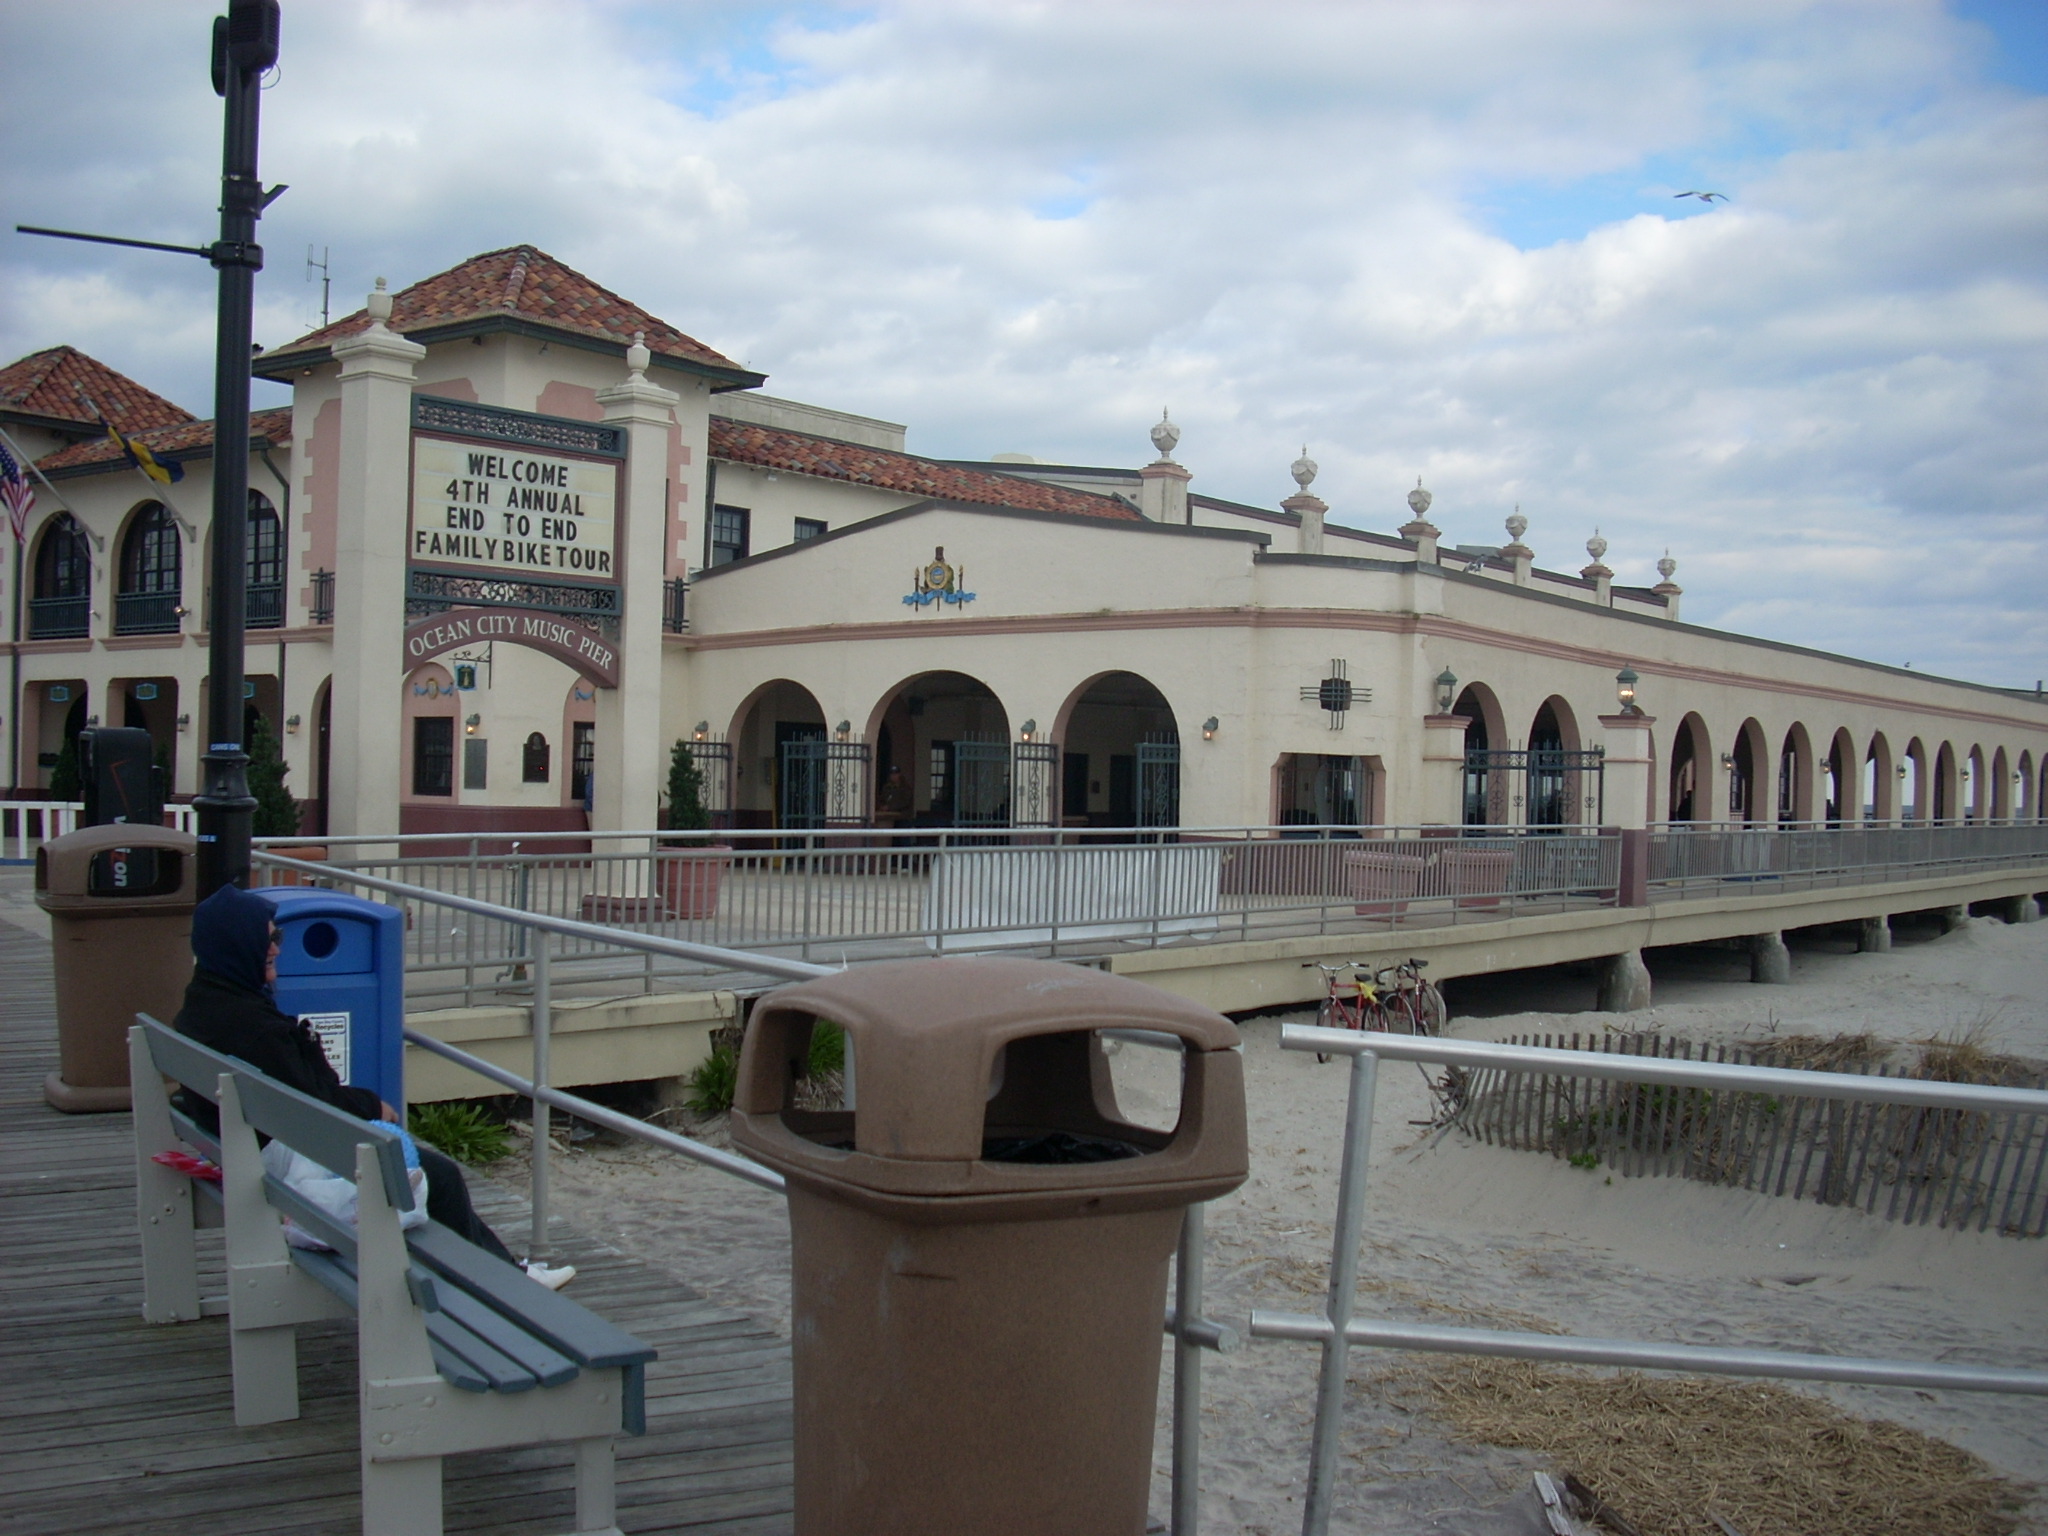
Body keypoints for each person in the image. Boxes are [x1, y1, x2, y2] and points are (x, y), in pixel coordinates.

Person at [171, 883, 575, 1290]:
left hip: (243, 1149)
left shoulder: (203, 1005)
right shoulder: (254, 1027)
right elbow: (315, 1103)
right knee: (441, 1177)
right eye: (270, 939)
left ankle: (500, 1273)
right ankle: (508, 1283)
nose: (276, 948)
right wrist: (372, 1106)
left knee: (430, 1173)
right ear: (237, 947)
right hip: (283, 1161)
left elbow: (298, 1094)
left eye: (279, 936)